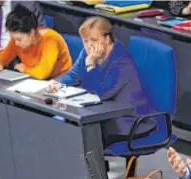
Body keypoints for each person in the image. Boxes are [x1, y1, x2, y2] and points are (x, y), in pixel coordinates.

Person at [48, 16, 155, 147]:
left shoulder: (121, 61)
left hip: (128, 122)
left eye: (94, 40)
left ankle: (91, 167)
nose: (89, 46)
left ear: (107, 39)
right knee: (62, 126)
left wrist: (90, 64)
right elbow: (73, 74)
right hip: (102, 116)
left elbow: (100, 93)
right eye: (85, 41)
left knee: (80, 135)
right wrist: (57, 82)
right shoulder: (88, 53)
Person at [0, 4, 72, 80]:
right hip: (32, 78)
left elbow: (43, 73)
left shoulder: (51, 40)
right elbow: (2, 57)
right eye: (14, 39)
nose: (16, 43)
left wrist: (25, 69)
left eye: (19, 39)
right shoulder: (16, 41)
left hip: (60, 81)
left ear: (31, 32)